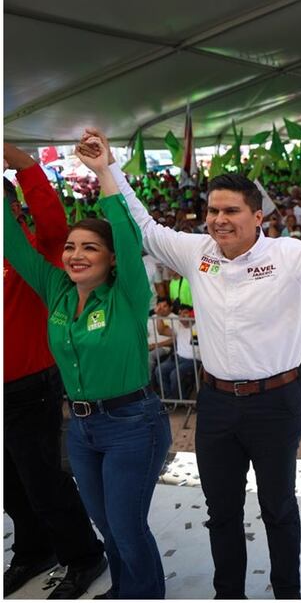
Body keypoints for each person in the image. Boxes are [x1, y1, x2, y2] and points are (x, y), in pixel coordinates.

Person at [77, 128, 301, 599]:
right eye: (213, 211)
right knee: (222, 511)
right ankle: (228, 593)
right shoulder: (197, 252)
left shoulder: (289, 255)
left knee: (278, 507)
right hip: (215, 403)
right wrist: (107, 169)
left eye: (231, 211)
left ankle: (286, 592)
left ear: (258, 216)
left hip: (277, 402)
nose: (219, 219)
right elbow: (145, 229)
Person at [4, 137, 172, 599]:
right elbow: (13, 243)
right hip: (81, 430)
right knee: (108, 527)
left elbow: (125, 230)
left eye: (90, 248)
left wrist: (104, 174)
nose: (76, 254)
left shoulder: (128, 294)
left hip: (132, 425)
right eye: (71, 247)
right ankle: (122, 590)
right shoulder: (55, 288)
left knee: (127, 527)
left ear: (111, 257)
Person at [2, 144, 107, 599]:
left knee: (44, 480)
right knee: (9, 483)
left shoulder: (38, 246)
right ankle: (32, 550)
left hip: (31, 386)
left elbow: (52, 219)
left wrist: (23, 163)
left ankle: (84, 556)